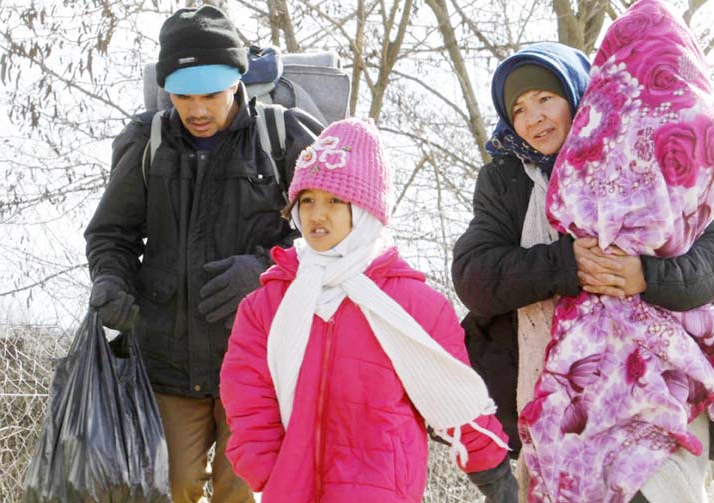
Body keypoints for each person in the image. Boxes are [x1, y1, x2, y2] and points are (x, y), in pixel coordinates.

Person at [452, 36, 714, 503]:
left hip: (656, 396)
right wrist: (566, 263)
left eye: (544, 98)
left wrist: (646, 277)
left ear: (581, 96)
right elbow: (474, 275)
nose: (532, 118)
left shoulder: (641, 155)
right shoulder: (506, 179)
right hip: (551, 406)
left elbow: (711, 248)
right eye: (517, 108)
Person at [84, 6, 323, 502]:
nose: (196, 110)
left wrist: (264, 270)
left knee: (244, 491)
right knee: (175, 487)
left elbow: (339, 239)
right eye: (183, 95)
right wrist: (111, 282)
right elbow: (112, 235)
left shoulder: (285, 138)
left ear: (237, 81)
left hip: (261, 362)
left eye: (210, 95)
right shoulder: (146, 142)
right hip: (169, 363)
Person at [219, 118, 518, 503]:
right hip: (292, 491)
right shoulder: (268, 304)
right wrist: (267, 469)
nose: (316, 215)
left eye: (333, 201)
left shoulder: (416, 304)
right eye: (306, 201)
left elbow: (456, 400)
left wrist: (497, 481)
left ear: (364, 210)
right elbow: (247, 397)